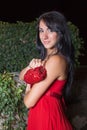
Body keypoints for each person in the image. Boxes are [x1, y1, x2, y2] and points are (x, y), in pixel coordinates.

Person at [19, 11, 75, 130]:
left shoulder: (56, 61)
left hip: (49, 119)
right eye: (41, 30)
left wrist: (29, 84)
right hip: (40, 117)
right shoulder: (45, 59)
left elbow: (28, 102)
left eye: (50, 30)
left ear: (60, 33)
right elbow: (21, 76)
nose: (44, 36)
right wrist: (30, 68)